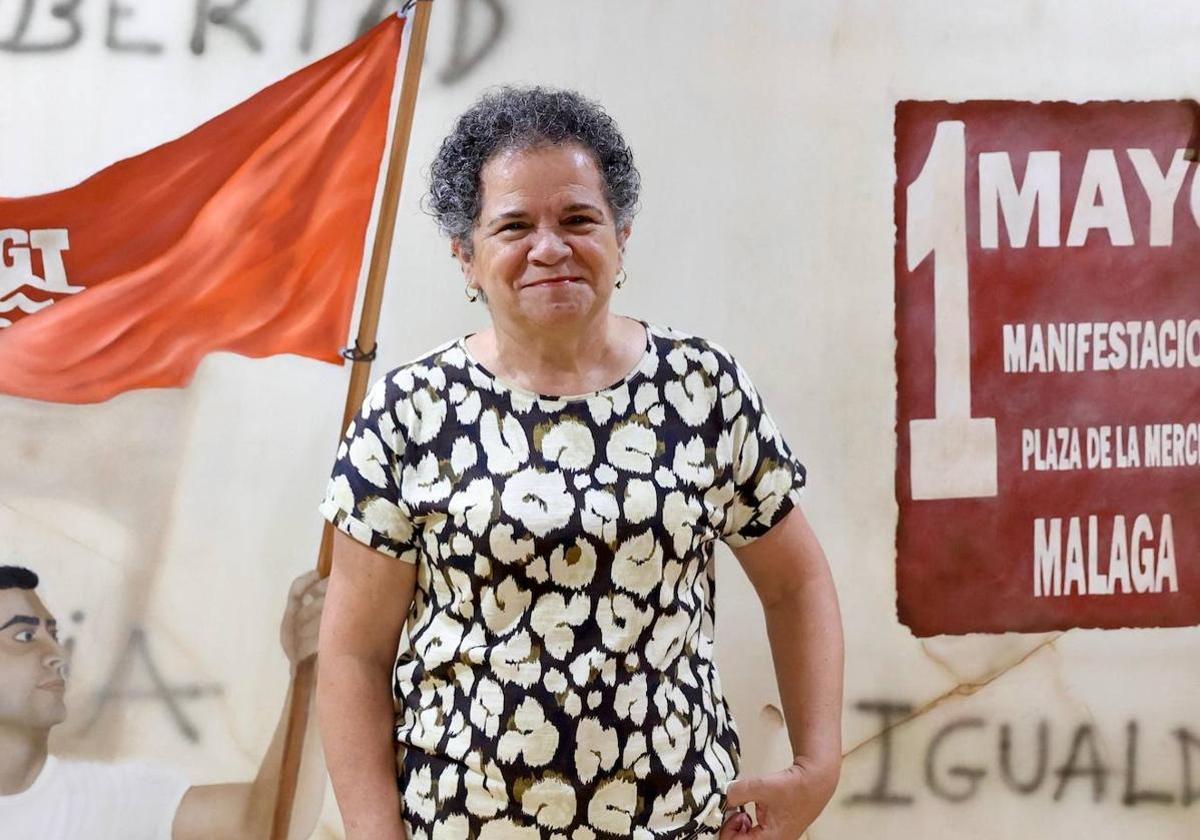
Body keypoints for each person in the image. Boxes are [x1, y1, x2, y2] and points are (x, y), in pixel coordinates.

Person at [317, 86, 843, 840]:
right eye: (513, 226)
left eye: (577, 219)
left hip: (677, 825)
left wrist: (816, 765)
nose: (550, 248)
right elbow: (352, 657)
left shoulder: (701, 389)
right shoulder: (410, 413)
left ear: (621, 236)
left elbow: (797, 582)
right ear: (465, 255)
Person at [0, 564, 328, 839]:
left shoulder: (107, 800)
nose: (57, 655)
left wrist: (307, 675)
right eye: (25, 637)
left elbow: (264, 824)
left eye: (53, 636)